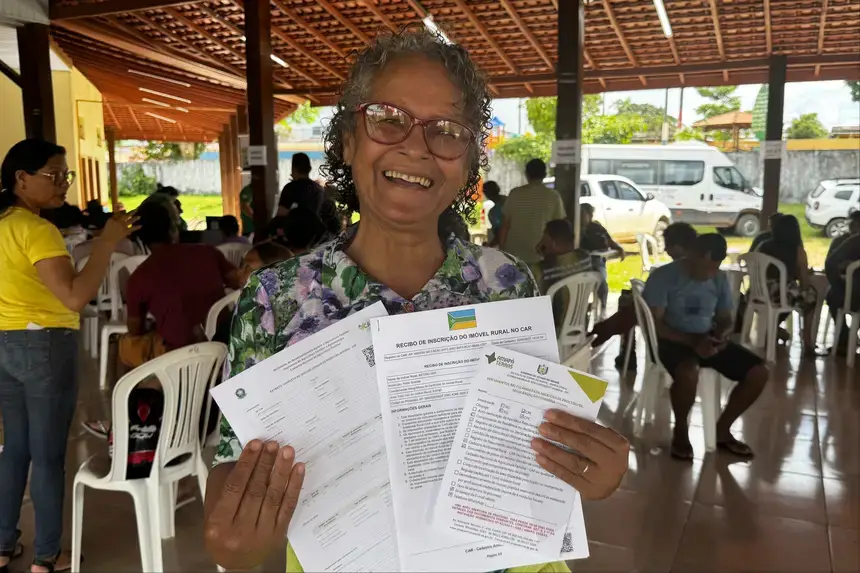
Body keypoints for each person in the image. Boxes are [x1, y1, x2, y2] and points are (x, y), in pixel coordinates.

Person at [203, 29, 629, 573]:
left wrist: (589, 466)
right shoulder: (276, 296)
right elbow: (234, 460)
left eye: (448, 131)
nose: (415, 145)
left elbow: (535, 441)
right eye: (387, 118)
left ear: (468, 161)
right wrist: (232, 534)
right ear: (349, 139)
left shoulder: (505, 284)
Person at [0, 139, 136, 573]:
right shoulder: (37, 230)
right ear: (21, 179)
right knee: (48, 454)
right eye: (52, 175)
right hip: (45, 346)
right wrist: (108, 242)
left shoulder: (4, 222)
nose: (62, 184)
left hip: (6, 343)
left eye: (66, 175)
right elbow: (75, 296)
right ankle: (46, 555)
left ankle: (3, 545)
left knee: (15, 450)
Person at [82, 201, 242, 438]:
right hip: (223, 346)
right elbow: (238, 283)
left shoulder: (140, 275)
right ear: (174, 229)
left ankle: (124, 420)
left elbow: (134, 329)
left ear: (141, 238)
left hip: (177, 352)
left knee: (125, 344)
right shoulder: (208, 253)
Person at [643, 234, 769, 460]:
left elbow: (725, 318)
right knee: (688, 372)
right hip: (672, 341)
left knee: (759, 372)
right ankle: (680, 429)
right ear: (691, 255)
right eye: (704, 266)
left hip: (706, 338)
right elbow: (656, 325)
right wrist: (693, 342)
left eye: (714, 267)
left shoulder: (718, 279)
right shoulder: (664, 276)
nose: (709, 274)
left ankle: (722, 430)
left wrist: (720, 335)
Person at [590, 222, 698, 368]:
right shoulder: (690, 266)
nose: (665, 249)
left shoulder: (687, 271)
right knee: (636, 303)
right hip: (675, 317)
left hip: (686, 325)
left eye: (668, 245)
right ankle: (609, 331)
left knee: (635, 305)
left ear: (678, 246)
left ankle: (617, 340)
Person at [756, 215, 818, 355]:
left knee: (789, 296)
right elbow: (804, 282)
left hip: (758, 294)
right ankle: (807, 338)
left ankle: (774, 329)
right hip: (780, 295)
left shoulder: (763, 246)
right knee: (810, 296)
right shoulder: (797, 251)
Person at [497, 159, 565, 268]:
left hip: (514, 254)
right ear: (545, 175)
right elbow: (558, 228)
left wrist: (501, 249)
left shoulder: (515, 194)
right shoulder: (553, 196)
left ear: (526, 174)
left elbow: (505, 225)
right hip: (541, 255)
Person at [824, 218, 860, 354]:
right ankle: (848, 335)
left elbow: (830, 263)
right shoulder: (844, 241)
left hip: (854, 295)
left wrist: (838, 286)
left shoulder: (854, 241)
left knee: (832, 295)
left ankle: (845, 336)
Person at [580, 203, 625, 308]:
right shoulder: (574, 228)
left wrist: (619, 248)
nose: (586, 216)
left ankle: (603, 305)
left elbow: (609, 241)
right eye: (582, 213)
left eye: (587, 214)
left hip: (596, 259)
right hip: (580, 261)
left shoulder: (597, 228)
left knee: (601, 279)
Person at [482, 180, 505, 245]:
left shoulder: (494, 211)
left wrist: (489, 246)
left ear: (486, 193)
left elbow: (499, 234)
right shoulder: (509, 200)